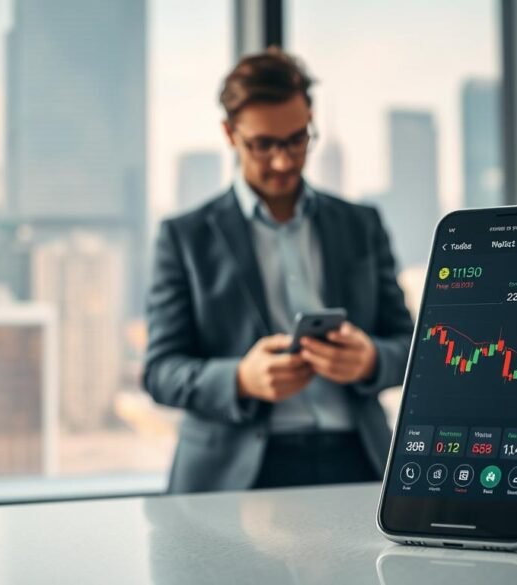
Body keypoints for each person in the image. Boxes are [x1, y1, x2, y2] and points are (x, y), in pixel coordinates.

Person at [142, 48, 414, 492]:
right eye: (264, 145)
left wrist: (371, 360)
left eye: (296, 140)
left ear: (310, 123)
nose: (284, 161)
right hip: (234, 473)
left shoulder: (361, 225)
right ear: (229, 134)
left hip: (359, 459)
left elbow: (411, 345)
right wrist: (240, 379)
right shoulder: (184, 237)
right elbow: (160, 371)